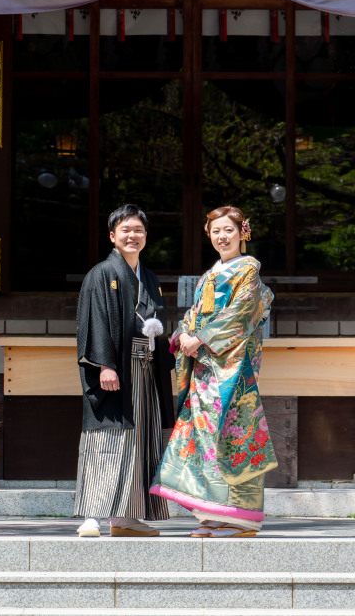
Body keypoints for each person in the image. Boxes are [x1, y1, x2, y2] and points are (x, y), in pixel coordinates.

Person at [150, 205, 277, 538]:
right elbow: (193, 315)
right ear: (209, 235)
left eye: (229, 230)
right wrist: (182, 335)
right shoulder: (209, 275)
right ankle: (211, 513)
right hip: (205, 369)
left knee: (231, 433)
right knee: (202, 437)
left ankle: (241, 518)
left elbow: (240, 315)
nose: (222, 236)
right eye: (216, 231)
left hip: (232, 370)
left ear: (242, 233)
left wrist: (201, 339)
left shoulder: (248, 270)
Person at [74, 203, 174, 537]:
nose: (132, 236)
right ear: (112, 235)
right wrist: (105, 364)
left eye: (139, 230)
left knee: (140, 438)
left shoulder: (150, 278)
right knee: (107, 437)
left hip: (144, 371)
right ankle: (93, 514)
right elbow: (96, 320)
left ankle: (126, 516)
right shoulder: (102, 274)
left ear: (146, 236)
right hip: (116, 368)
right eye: (126, 230)